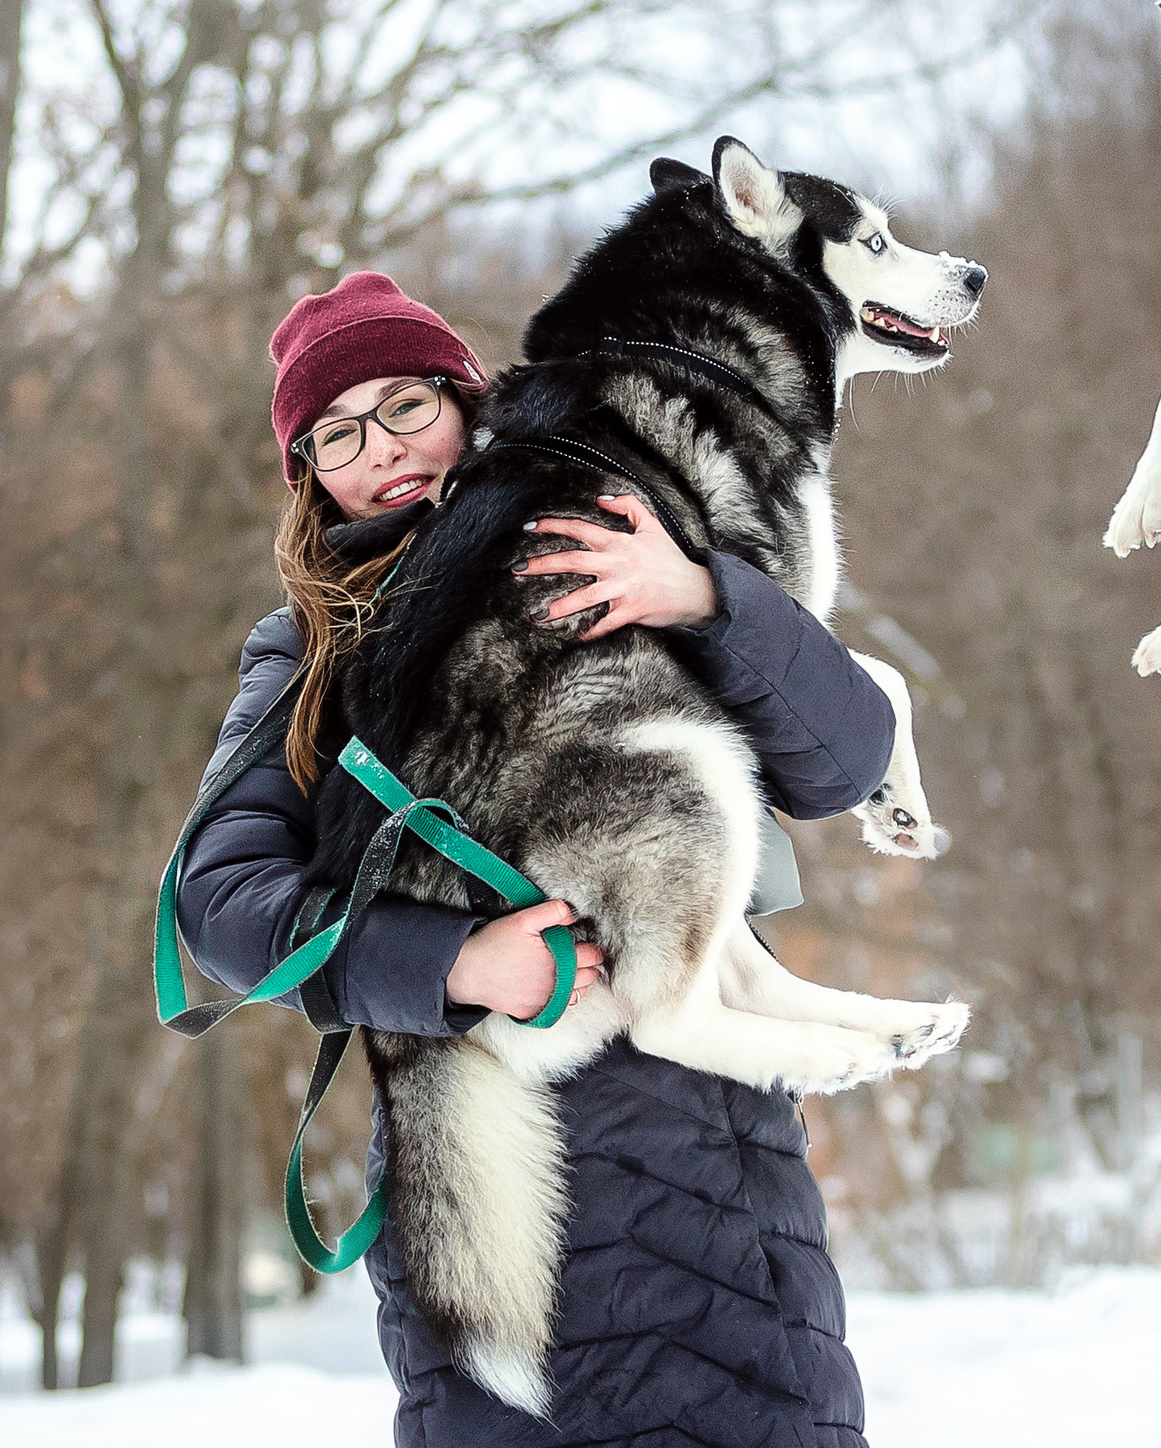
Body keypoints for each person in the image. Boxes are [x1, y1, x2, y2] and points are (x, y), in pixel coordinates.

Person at [177, 271, 892, 1446]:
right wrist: (456, 960)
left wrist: (709, 594)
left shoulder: (612, 534)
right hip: (470, 1159)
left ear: (468, 397)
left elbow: (843, 761)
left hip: (702, 1154)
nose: (382, 448)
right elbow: (222, 904)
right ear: (308, 472)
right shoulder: (306, 647)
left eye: (404, 404)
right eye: (338, 432)